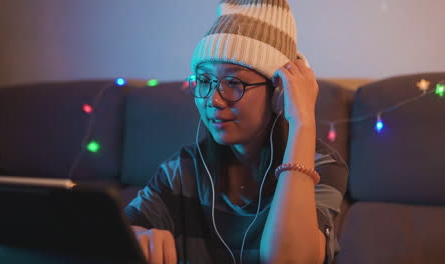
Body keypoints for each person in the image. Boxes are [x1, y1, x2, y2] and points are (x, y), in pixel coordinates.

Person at [124, 0, 348, 263]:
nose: (214, 100)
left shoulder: (322, 166)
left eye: (233, 82)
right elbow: (106, 237)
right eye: (205, 80)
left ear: (279, 93)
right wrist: (134, 237)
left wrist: (302, 122)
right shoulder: (182, 170)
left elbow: (289, 259)